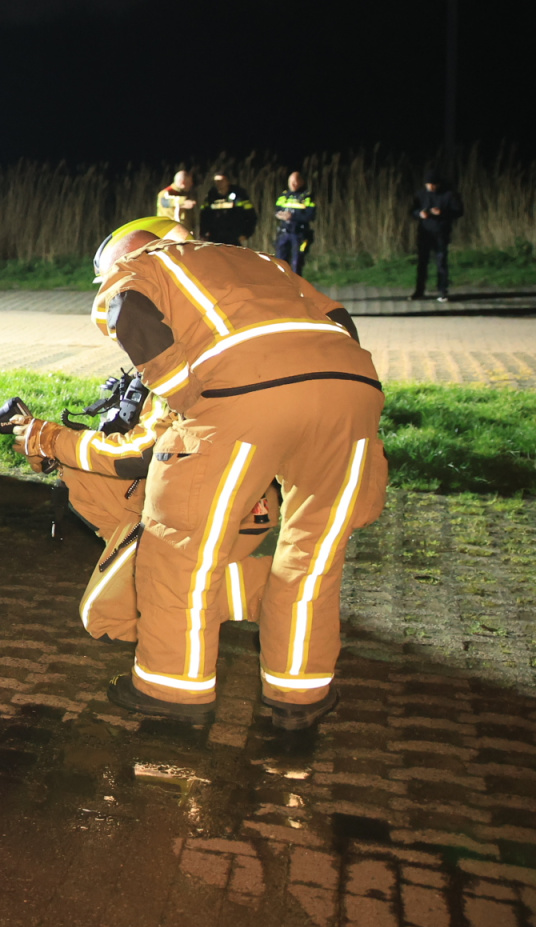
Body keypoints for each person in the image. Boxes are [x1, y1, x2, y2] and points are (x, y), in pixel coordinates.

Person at [33, 216, 388, 731]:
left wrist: (185, 394)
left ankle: (172, 690)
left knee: (182, 548)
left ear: (126, 251)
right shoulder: (260, 261)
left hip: (242, 396)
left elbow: (126, 309)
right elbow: (338, 317)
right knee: (314, 557)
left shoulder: (143, 264)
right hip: (352, 393)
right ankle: (299, 694)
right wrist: (337, 377)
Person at [10, 377, 275, 646]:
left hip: (225, 508)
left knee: (107, 619)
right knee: (75, 472)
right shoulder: (174, 368)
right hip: (190, 496)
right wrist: (55, 454)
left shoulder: (183, 372)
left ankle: (274, 590)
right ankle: (153, 571)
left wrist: (52, 439)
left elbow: (138, 455)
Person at [410, 170, 465, 303]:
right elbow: (412, 211)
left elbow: (459, 211)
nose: (430, 187)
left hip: (441, 233)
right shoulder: (421, 195)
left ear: (438, 184)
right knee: (422, 263)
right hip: (424, 233)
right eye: (428, 184)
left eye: (433, 184)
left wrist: (442, 212)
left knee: (441, 263)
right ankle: (419, 291)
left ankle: (442, 291)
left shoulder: (448, 195)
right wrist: (419, 214)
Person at [272, 171, 317, 275]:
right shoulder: (284, 196)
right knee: (280, 264)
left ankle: (296, 284)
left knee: (296, 263)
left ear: (301, 182)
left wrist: (292, 217)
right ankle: (281, 284)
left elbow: (310, 216)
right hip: (284, 233)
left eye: (296, 181)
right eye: (291, 182)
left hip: (299, 233)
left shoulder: (306, 197)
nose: (293, 184)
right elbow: (277, 210)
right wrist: (281, 215)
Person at [199, 171, 256, 247]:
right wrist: (203, 233)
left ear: (228, 181)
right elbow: (204, 215)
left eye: (222, 180)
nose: (219, 183)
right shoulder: (211, 196)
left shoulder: (239, 194)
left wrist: (246, 233)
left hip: (234, 237)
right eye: (216, 181)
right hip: (215, 237)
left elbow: (251, 215)